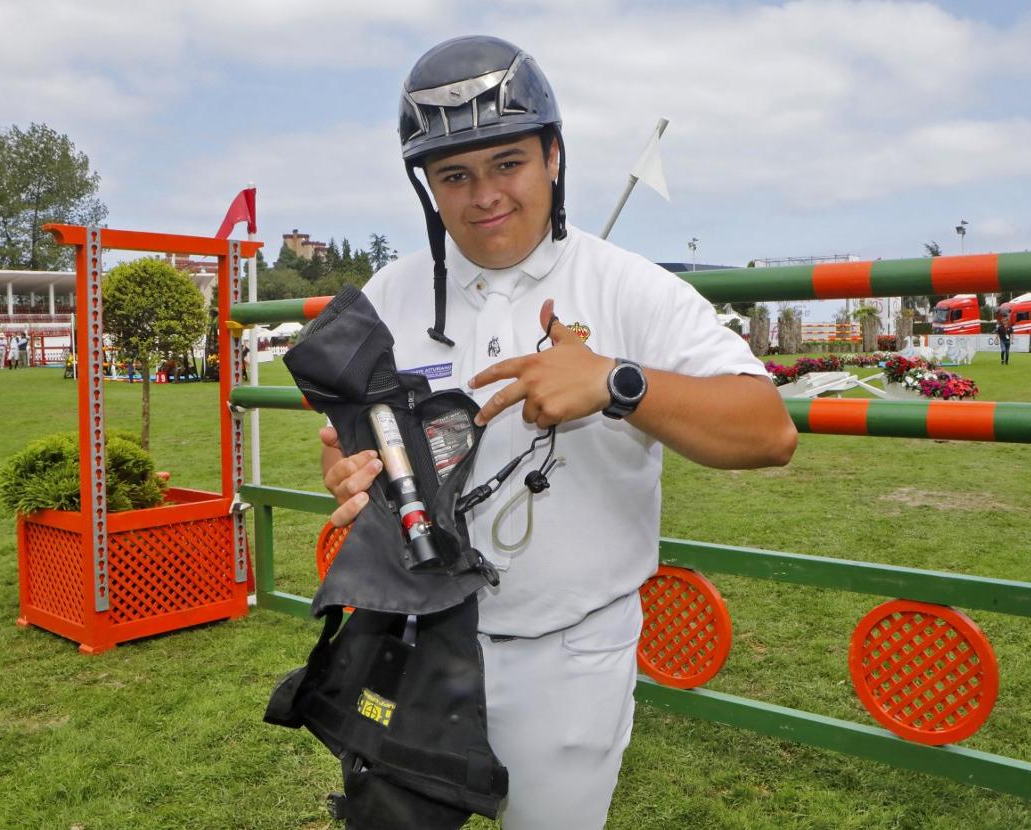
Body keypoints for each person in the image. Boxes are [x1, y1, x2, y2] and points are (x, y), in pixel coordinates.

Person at [317, 36, 797, 829]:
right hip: (409, 642)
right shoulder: (388, 295)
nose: (483, 196)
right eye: (454, 175)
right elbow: (351, 449)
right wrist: (349, 478)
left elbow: (769, 430)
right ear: (427, 187)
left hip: (567, 654)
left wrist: (618, 384)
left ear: (554, 157)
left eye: (507, 163)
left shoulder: (630, 285)